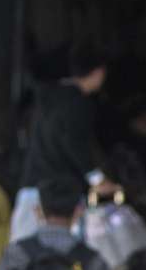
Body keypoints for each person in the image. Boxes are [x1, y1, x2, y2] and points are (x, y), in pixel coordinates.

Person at [16, 46, 109, 237]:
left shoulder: (44, 98)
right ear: (99, 73)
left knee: (24, 252)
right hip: (61, 199)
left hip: (31, 190)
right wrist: (97, 179)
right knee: (68, 255)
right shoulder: (78, 104)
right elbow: (74, 143)